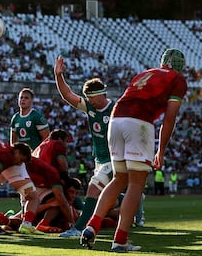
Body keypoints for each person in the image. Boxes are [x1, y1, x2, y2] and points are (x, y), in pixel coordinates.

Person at [80, 48, 188, 252]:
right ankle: (120, 240)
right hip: (138, 122)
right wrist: (161, 151)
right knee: (136, 184)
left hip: (115, 120)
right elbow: (170, 117)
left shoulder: (145, 73)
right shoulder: (178, 79)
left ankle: (91, 226)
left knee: (118, 179)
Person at [53, 56, 115, 238]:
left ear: (101, 95)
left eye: (91, 98)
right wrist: (59, 75)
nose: (89, 102)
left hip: (113, 159)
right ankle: (133, 203)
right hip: (99, 160)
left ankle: (79, 228)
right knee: (106, 195)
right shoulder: (90, 107)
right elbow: (67, 95)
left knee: (93, 189)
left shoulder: (115, 109)